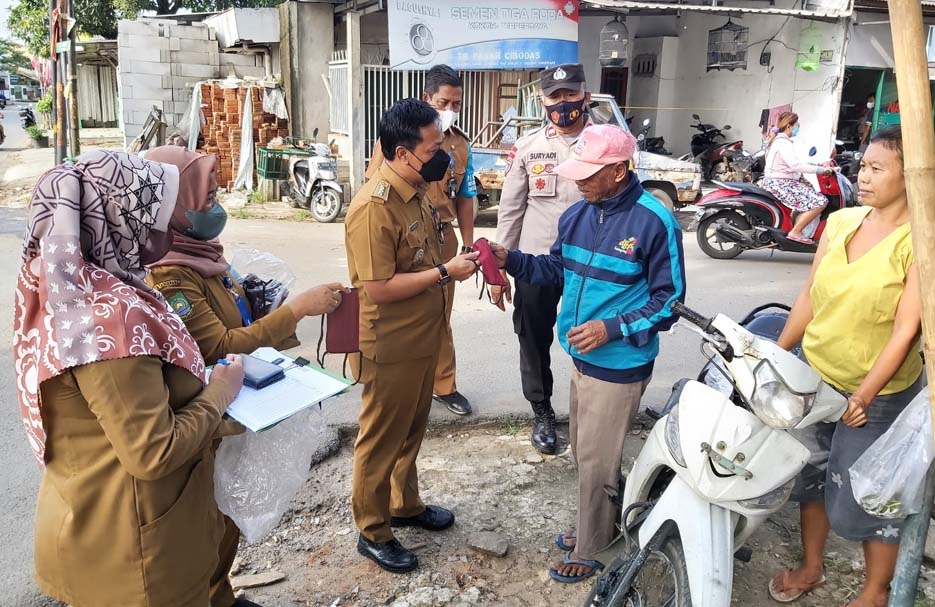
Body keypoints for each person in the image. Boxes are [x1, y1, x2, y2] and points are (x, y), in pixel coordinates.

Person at [12, 150, 246, 607]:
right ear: (119, 217)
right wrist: (221, 391)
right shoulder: (107, 321)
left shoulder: (62, 286)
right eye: (152, 213)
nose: (162, 228)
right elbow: (152, 452)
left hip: (97, 519)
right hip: (137, 558)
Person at [143, 145, 346, 607]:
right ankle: (211, 595)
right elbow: (216, 346)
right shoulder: (171, 274)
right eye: (205, 198)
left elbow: (233, 318)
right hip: (203, 412)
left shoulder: (203, 253)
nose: (215, 207)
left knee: (221, 524)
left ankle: (221, 594)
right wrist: (296, 310)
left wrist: (263, 301)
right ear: (170, 205)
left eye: (216, 195)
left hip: (235, 406)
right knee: (204, 524)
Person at [490, 124, 686, 584]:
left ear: (619, 170)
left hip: (619, 363)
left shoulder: (655, 220)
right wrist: (511, 259)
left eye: (589, 173)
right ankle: (600, 520)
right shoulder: (578, 214)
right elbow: (556, 268)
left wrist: (611, 328)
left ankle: (593, 543)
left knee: (596, 458)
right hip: (581, 358)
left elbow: (670, 300)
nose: (577, 181)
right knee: (586, 450)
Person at [768, 126, 924, 607]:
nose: (865, 175)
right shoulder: (841, 223)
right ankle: (812, 567)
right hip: (815, 376)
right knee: (811, 477)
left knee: (872, 496)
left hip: (874, 397)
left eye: (879, 168)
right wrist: (775, 356)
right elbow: (808, 298)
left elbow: (906, 330)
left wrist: (864, 394)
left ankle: (876, 591)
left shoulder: (920, 240)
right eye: (864, 166)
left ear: (913, 175)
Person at [345, 98, 479, 573]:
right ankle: (372, 530)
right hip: (391, 345)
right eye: (433, 146)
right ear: (403, 153)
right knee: (381, 438)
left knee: (411, 432)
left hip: (423, 336)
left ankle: (404, 504)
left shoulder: (417, 188)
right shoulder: (373, 207)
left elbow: (424, 254)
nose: (442, 153)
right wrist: (445, 271)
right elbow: (378, 288)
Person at [492, 62, 593, 455]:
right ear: (542, 99)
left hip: (590, 265)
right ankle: (542, 411)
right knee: (532, 338)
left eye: (571, 94)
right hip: (535, 261)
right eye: (555, 96)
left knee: (591, 339)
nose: (563, 103)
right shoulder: (530, 148)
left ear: (585, 95)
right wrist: (499, 267)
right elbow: (511, 210)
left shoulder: (605, 142)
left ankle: (589, 413)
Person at [366, 64, 478, 416]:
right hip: (405, 237)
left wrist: (469, 242)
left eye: (457, 104)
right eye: (444, 102)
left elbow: (466, 194)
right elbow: (376, 187)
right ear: (427, 98)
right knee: (401, 311)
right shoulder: (401, 139)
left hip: (443, 236)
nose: (450, 111)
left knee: (439, 315)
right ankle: (399, 381)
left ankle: (444, 384)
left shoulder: (460, 144)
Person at [759, 111, 836, 245]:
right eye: (797, 125)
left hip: (780, 182)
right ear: (789, 126)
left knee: (810, 196)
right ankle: (796, 231)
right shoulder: (783, 143)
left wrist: (818, 165)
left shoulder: (780, 141)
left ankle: (798, 228)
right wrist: (821, 170)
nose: (797, 128)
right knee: (821, 201)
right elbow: (795, 165)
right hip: (780, 184)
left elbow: (793, 164)